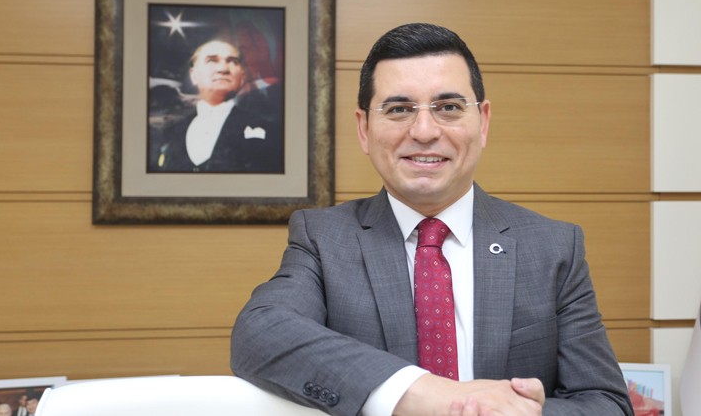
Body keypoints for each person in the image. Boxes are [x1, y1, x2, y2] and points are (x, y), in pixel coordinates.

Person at [230, 23, 632, 416]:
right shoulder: (324, 239)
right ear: (364, 129)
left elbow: (606, 402)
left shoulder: (553, 247)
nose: (424, 131)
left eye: (449, 108)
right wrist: (425, 394)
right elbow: (260, 333)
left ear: (483, 122)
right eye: (399, 109)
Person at [148, 39, 284, 173]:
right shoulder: (171, 132)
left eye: (233, 61)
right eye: (212, 61)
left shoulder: (271, 130)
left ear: (242, 77)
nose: (223, 69)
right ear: (194, 76)